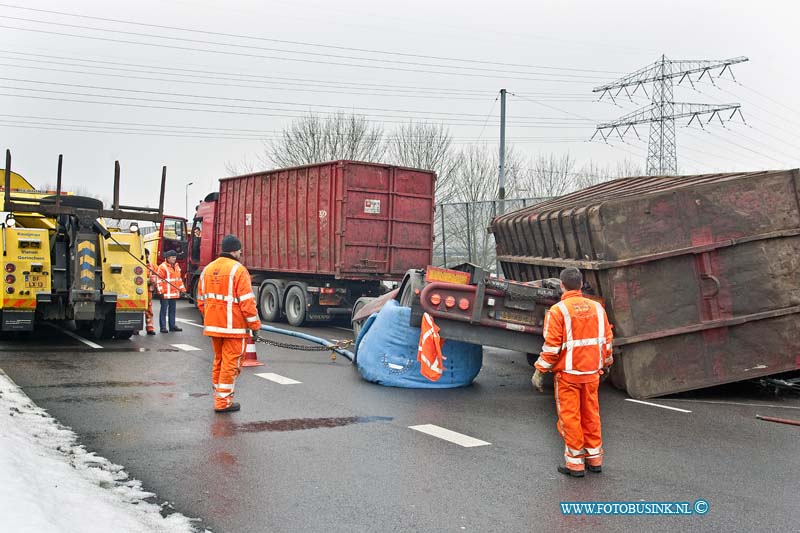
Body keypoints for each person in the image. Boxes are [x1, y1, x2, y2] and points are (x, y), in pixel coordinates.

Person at [532, 267, 613, 478]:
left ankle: (575, 464)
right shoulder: (597, 309)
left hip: (568, 375)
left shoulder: (558, 311)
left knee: (570, 418)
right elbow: (606, 341)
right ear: (581, 284)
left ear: (562, 285)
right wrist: (605, 364)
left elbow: (551, 347)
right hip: (591, 372)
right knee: (591, 415)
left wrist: (540, 370)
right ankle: (595, 459)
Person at [196, 234, 261, 413]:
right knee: (230, 365)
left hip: (213, 326)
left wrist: (211, 317)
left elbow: (201, 301)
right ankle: (223, 402)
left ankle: (219, 396)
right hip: (234, 329)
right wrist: (255, 326)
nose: (241, 253)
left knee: (219, 361)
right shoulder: (238, 270)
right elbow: (247, 303)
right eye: (240, 250)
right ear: (235, 250)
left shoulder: (207, 269)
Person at [156, 249, 186, 333]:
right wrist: (160, 292)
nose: (174, 259)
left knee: (172, 310)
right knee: (164, 310)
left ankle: (172, 326)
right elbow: (159, 280)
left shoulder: (176, 267)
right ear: (168, 258)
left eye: (175, 257)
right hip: (165, 294)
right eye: (173, 257)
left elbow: (178, 279)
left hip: (173, 294)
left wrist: (183, 290)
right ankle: (163, 327)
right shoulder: (162, 267)